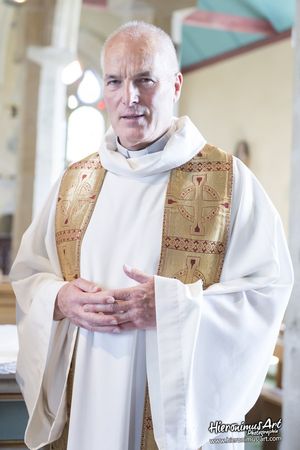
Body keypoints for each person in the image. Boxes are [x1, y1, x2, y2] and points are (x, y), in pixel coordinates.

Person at [10, 21, 293, 450]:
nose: (130, 97)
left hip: (168, 422)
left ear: (175, 84)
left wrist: (175, 308)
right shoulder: (75, 182)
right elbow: (31, 275)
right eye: (115, 81)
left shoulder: (228, 181)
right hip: (85, 408)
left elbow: (266, 292)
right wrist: (61, 299)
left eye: (145, 79)